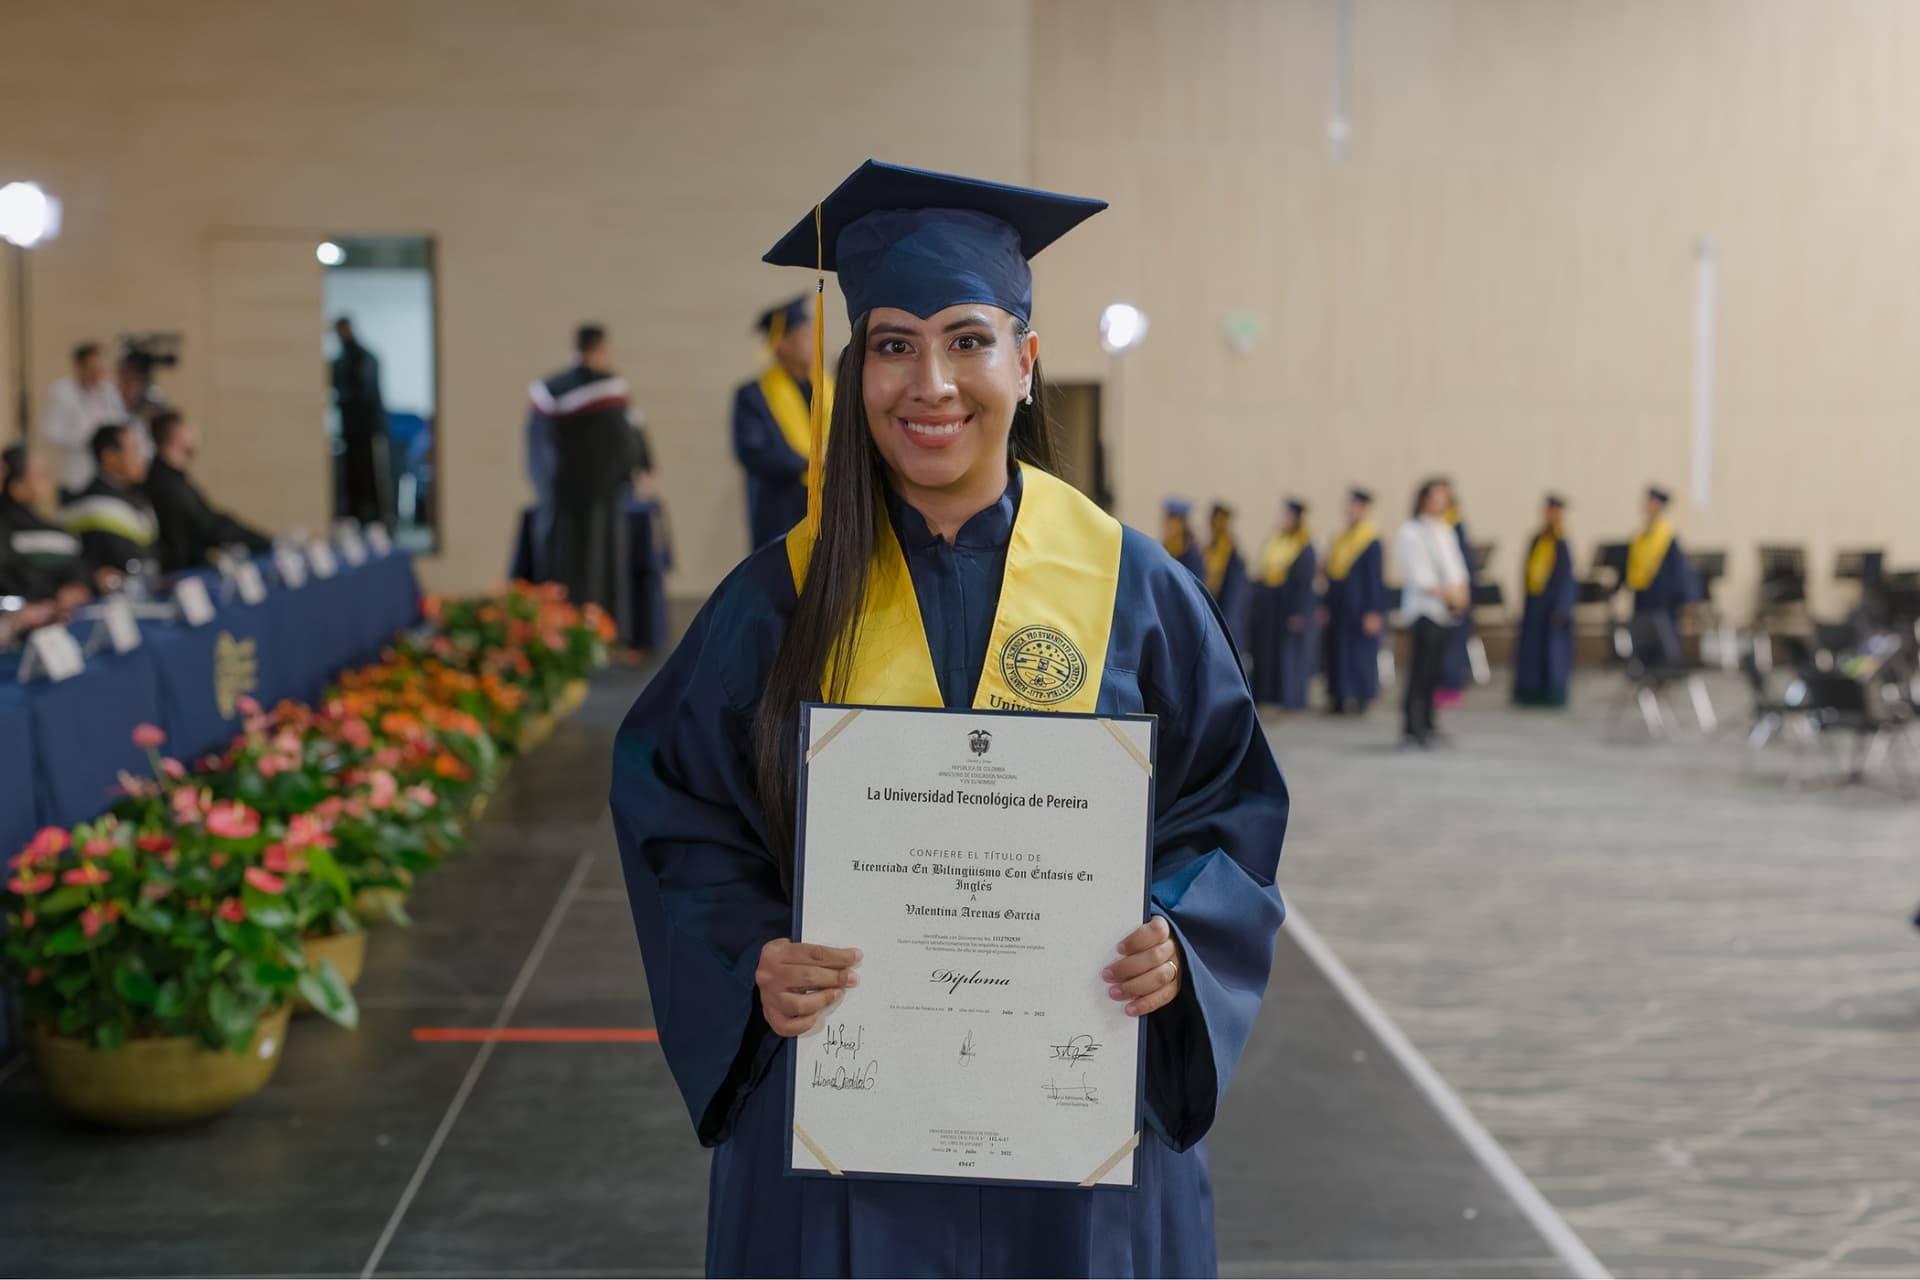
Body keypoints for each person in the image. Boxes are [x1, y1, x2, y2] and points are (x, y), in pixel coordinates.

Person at [611, 160, 1288, 1278]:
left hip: (1078, 1116)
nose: (929, 383)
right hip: (840, 1121)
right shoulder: (778, 599)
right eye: (892, 345)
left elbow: (1228, 809)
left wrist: (1178, 934)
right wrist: (752, 953)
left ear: (1026, 361)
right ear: (856, 373)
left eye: (968, 339)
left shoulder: (1135, 590)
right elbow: (676, 808)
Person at [530, 324, 634, 632]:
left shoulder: (551, 388)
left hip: (562, 496)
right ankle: (601, 627)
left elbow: (537, 448)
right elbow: (626, 442)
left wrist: (548, 487)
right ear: (601, 349)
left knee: (563, 563)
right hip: (600, 497)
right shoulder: (609, 389)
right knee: (598, 566)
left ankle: (557, 628)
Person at [733, 295, 834, 550]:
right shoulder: (754, 395)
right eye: (804, 337)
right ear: (781, 345)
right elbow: (752, 452)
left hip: (829, 506)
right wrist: (810, 463)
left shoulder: (831, 389)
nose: (814, 343)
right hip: (780, 512)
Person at [144, 410, 272, 573]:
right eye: (188, 428)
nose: (195, 433)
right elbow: (208, 526)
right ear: (177, 434)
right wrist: (266, 543)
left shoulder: (173, 478)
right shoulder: (166, 482)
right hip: (180, 573)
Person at [1396, 478, 1471, 748]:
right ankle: (1412, 725)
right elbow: (1419, 576)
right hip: (1424, 610)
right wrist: (1449, 593)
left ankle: (1428, 722)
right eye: (1438, 496)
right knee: (1420, 669)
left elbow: (1457, 566)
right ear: (1424, 499)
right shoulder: (1411, 531)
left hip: (1446, 612)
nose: (1443, 501)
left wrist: (1462, 591)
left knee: (1435, 671)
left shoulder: (1445, 530)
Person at [1320, 487, 1386, 714]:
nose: (1349, 510)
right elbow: (1332, 577)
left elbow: (1375, 580)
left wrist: (1374, 611)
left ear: (1364, 509)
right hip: (1339, 606)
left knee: (1360, 653)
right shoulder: (1339, 539)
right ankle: (1338, 696)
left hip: (1360, 608)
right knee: (1337, 652)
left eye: (1354, 506)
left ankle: (1361, 697)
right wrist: (1325, 605)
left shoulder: (1370, 540)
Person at [62, 425, 158, 578]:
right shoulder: (94, 505)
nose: (142, 458)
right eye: (134, 450)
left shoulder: (138, 496)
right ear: (109, 457)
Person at [0, 446, 94, 603]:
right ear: (17, 486)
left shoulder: (45, 525)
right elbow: (14, 573)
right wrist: (56, 592)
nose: (50, 479)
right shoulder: (11, 527)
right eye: (41, 474)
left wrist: (78, 584)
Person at [1250, 498, 1318, 711]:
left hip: (1289, 608)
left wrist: (1299, 612)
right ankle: (1269, 695)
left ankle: (1291, 699)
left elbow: (1304, 584)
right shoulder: (1275, 542)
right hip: (1271, 607)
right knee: (1268, 652)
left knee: (1290, 655)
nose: (1282, 519)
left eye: (1287, 515)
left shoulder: (1304, 547)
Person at [41, 342, 128, 501]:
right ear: (79, 368)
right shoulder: (63, 392)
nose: (97, 374)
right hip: (76, 476)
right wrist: (85, 436)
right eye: (92, 369)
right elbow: (51, 432)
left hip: (107, 475)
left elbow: (120, 422)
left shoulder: (109, 391)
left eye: (100, 368)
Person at [1513, 493, 1577, 708]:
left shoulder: (1562, 543)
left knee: (1552, 651)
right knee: (1531, 650)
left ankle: (1553, 692)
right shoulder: (1537, 539)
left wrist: (1563, 607)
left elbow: (1568, 579)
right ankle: (1529, 690)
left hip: (1553, 606)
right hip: (1535, 605)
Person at [330, 317, 391, 528]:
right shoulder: (340, 361)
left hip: (368, 429)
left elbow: (367, 394)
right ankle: (355, 519)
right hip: (350, 430)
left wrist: (344, 399)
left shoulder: (365, 358)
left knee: (371, 478)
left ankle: (376, 521)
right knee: (352, 477)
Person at [1627, 484, 1698, 632]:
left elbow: (1679, 570)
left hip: (1662, 599)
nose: (1647, 506)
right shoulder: (1641, 536)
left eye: (1651, 503)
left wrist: (1688, 598)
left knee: (1663, 636)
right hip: (1643, 596)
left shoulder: (1666, 536)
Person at [1434, 491, 1477, 710]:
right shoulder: (1435, 527)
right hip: (1438, 598)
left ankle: (1452, 686)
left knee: (1453, 646)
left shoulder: (1454, 527)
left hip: (1453, 596)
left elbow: (1462, 566)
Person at [1203, 500, 1251, 652]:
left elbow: (1235, 592)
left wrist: (1230, 621)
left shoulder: (1231, 552)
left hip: (1227, 614)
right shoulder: (1211, 548)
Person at [1161, 497, 1205, 579]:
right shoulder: (1166, 546)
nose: (1167, 524)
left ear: (1182, 523)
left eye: (1171, 521)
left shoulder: (1190, 552)